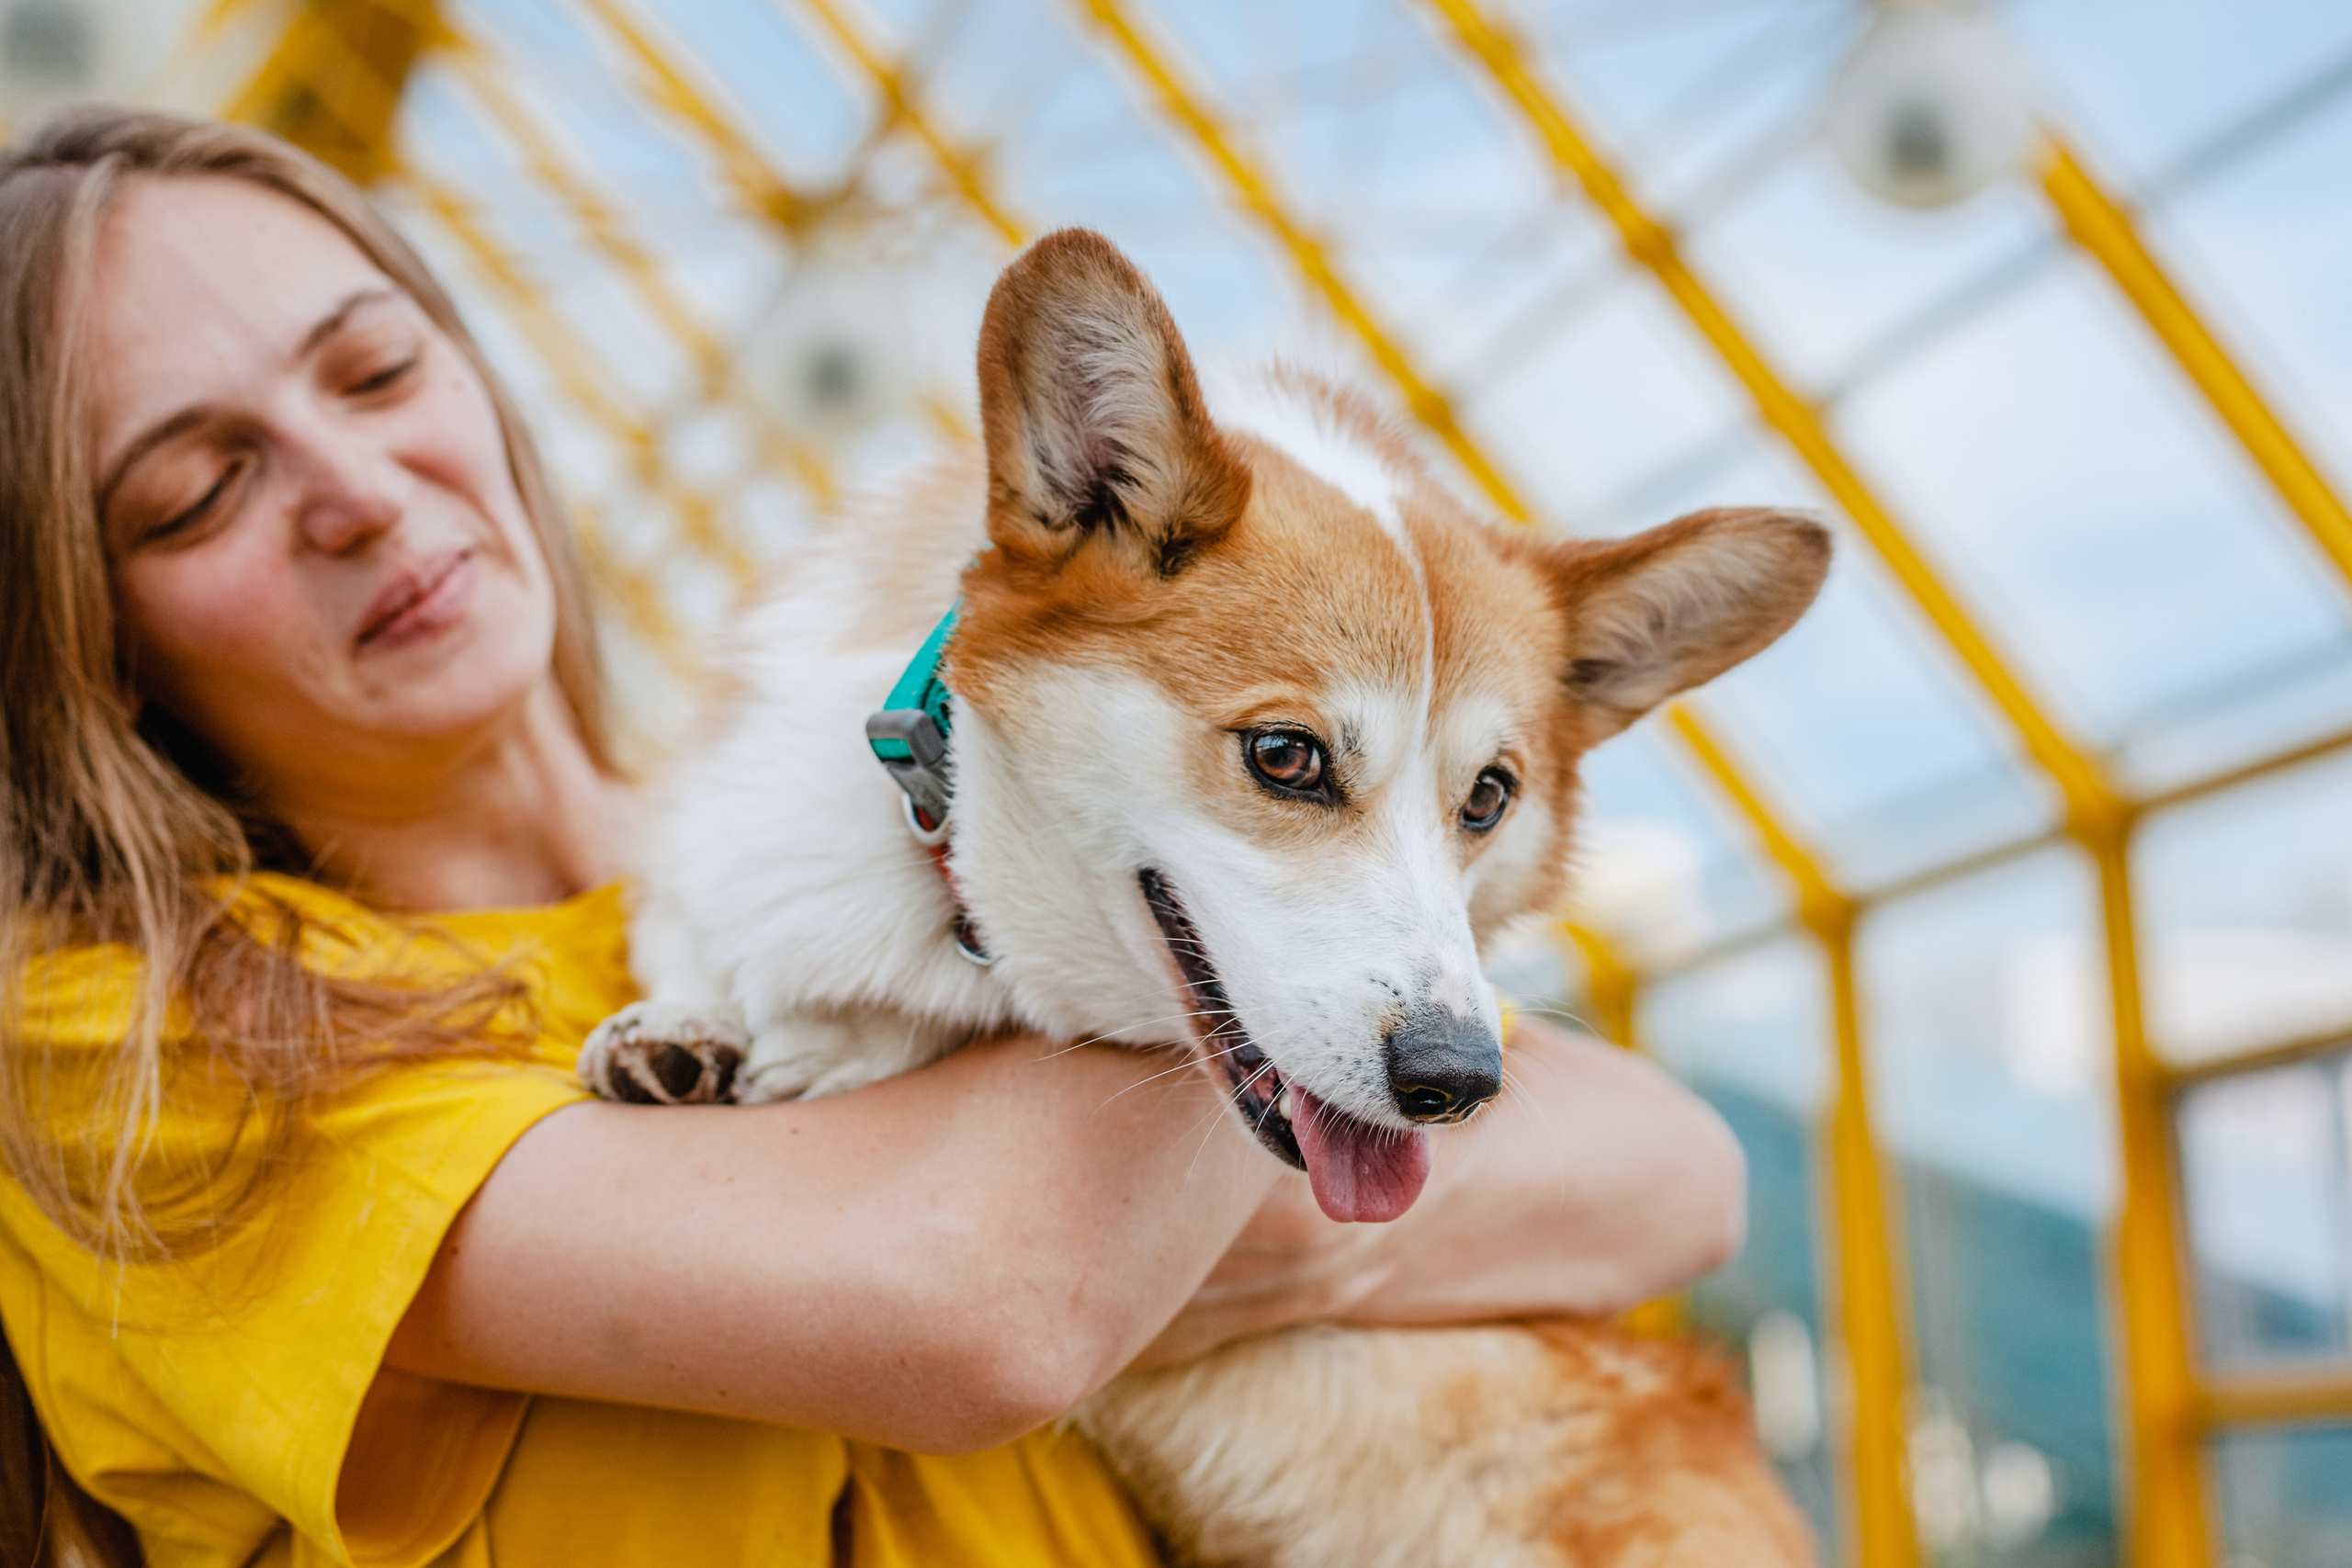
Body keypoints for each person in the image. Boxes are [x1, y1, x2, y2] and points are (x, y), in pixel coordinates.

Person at [0, 107, 1747, 1567]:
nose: (359, 491)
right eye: (198, 490)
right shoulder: (135, 1051)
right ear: (77, 628)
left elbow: (1680, 1174)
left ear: (472, 368)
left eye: (376, 368)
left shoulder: (900, 868)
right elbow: (989, 1308)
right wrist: (1280, 1101)